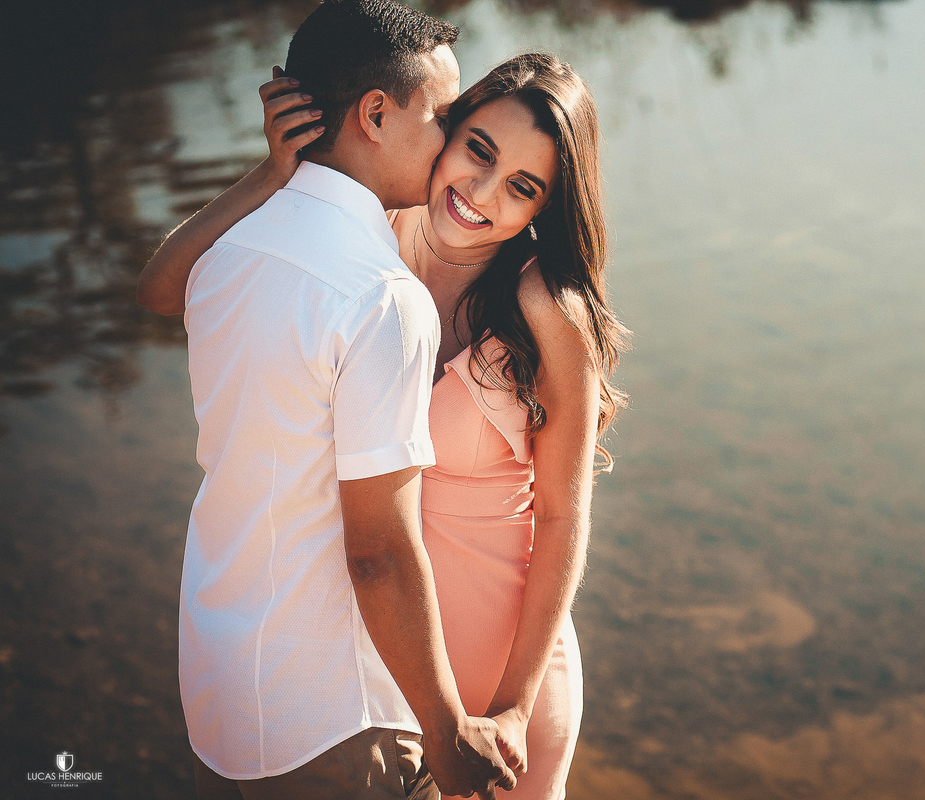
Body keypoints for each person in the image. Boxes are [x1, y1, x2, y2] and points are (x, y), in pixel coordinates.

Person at [139, 48, 630, 799]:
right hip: (386, 670)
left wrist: (516, 705)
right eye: (478, 151)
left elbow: (563, 518)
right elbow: (168, 286)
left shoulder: (544, 308)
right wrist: (274, 174)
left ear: (543, 210)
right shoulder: (372, 237)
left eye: (522, 188)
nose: (482, 192)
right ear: (446, 131)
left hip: (503, 679)